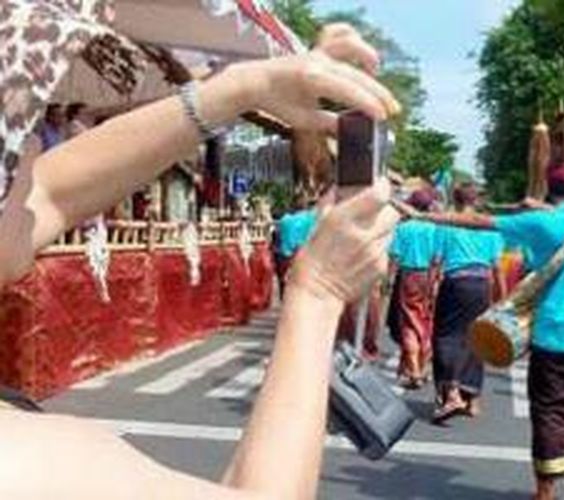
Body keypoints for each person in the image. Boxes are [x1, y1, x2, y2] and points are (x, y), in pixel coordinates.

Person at [0, 23, 404, 499]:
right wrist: (318, 296)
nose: (32, 147)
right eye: (19, 123)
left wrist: (238, 90)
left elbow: (53, 191)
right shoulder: (38, 462)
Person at [420, 154, 564, 500]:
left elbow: (479, 221)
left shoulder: (539, 224)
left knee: (550, 414)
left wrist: (422, 214)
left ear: (549, 190)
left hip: (554, 338)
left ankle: (546, 492)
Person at [431, 183, 505, 423]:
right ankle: (472, 399)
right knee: (475, 338)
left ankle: (452, 392)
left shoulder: (448, 223)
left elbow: (436, 261)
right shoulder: (488, 226)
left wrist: (430, 290)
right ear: (476, 200)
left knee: (446, 336)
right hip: (481, 285)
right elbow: (497, 268)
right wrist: (503, 298)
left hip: (455, 283)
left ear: (455, 199)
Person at [388, 189, 439, 388]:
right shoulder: (435, 228)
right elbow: (437, 258)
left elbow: (395, 257)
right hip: (429, 275)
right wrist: (435, 281)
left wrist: (389, 280)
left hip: (409, 275)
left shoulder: (404, 228)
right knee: (425, 321)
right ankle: (419, 366)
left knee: (409, 323)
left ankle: (415, 372)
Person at [275, 194, 318, 299]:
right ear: (305, 205)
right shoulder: (311, 218)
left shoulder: (284, 220)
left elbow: (278, 237)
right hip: (305, 256)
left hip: (285, 257)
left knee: (285, 286)